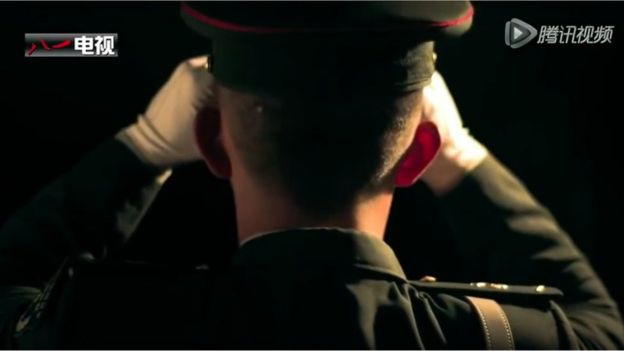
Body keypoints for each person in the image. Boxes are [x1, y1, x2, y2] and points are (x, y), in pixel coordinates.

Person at [1, 2, 624, 349]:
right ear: (417, 155)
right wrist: (462, 158)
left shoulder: (105, 330)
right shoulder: (493, 340)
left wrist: (140, 150)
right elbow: (602, 327)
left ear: (213, 148)